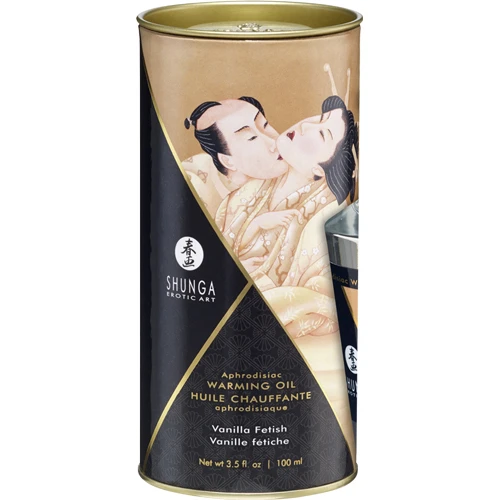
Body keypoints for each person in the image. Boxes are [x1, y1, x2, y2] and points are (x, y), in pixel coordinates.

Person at [182, 97, 288, 217]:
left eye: (265, 125)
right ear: (227, 161)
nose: (273, 142)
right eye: (251, 138)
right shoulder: (197, 186)